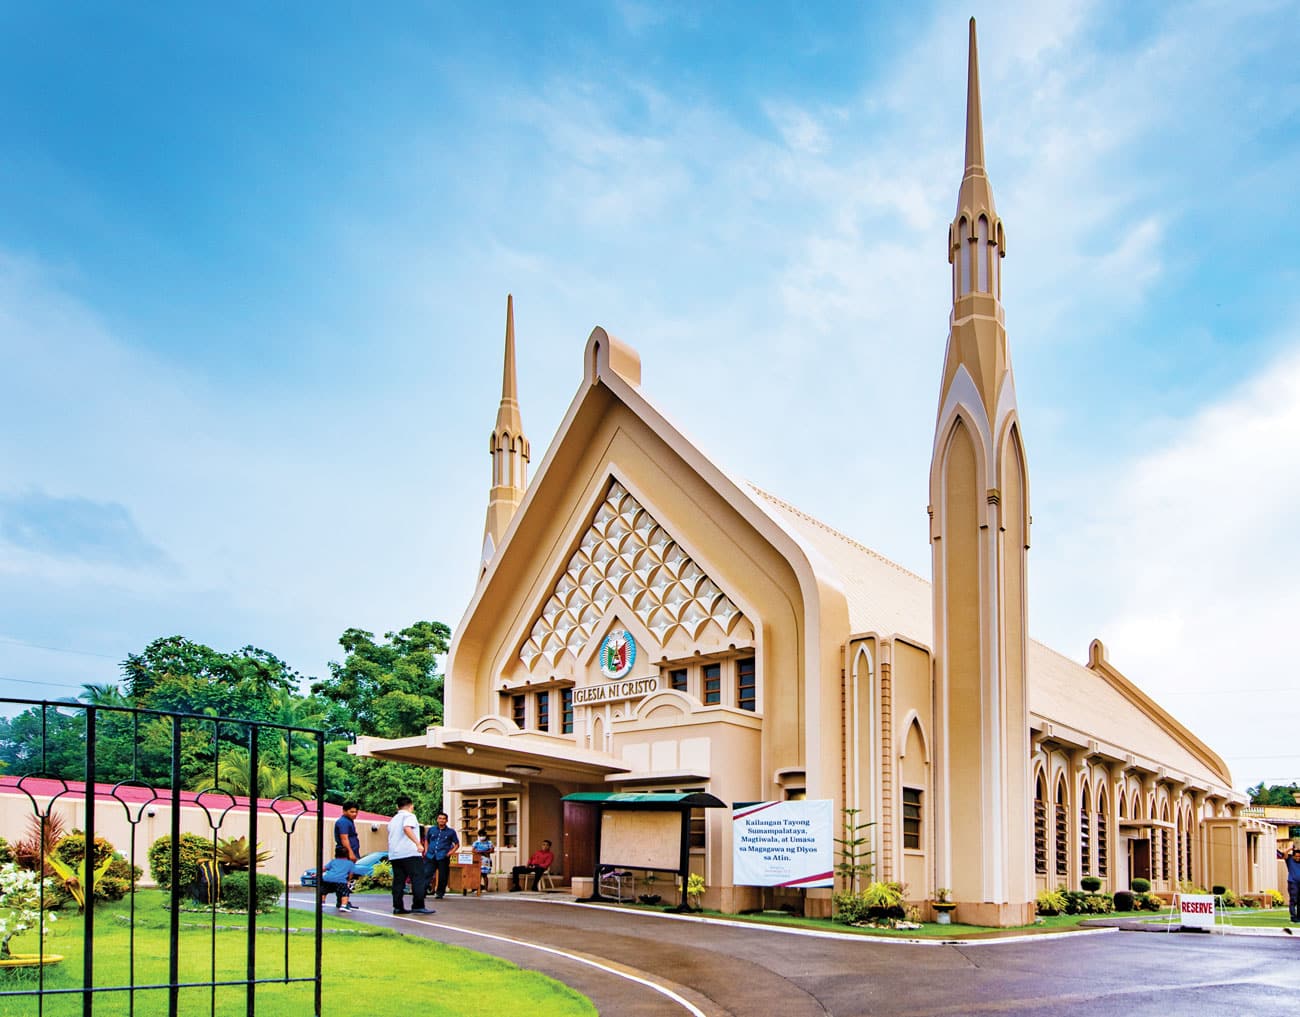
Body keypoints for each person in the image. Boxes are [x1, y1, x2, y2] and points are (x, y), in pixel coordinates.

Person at [388, 795, 433, 915]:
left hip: (395, 854)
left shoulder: (393, 819)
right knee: (418, 878)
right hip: (410, 853)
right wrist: (418, 843)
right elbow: (407, 828)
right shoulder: (410, 816)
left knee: (398, 881)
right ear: (411, 806)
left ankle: (398, 906)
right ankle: (418, 905)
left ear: (397, 807)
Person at [424, 811, 460, 900]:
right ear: (437, 820)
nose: (441, 820)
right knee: (427, 873)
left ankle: (440, 893)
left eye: (443, 819)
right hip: (431, 855)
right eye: (440, 818)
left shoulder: (451, 832)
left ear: (446, 820)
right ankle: (422, 891)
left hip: (443, 856)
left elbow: (457, 844)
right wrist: (426, 850)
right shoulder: (432, 829)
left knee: (443, 875)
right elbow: (426, 840)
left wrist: (450, 853)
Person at [319, 846, 360, 911]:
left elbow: (324, 868)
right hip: (340, 880)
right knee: (345, 892)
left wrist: (317, 873)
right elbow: (351, 873)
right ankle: (343, 906)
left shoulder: (333, 861)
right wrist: (348, 880)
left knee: (323, 891)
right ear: (347, 854)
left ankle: (322, 902)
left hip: (328, 879)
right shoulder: (350, 863)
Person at [1279, 844, 1300, 923]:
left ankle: (1299, 916)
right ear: (1293, 856)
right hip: (1293, 883)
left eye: (1299, 856)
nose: (1298, 858)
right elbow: (1284, 853)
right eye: (1296, 856)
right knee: (1293, 900)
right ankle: (1293, 916)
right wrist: (1291, 848)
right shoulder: (1290, 860)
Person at [471, 828, 494, 893]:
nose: (482, 836)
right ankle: (477, 888)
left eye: (483, 835)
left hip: (486, 860)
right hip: (478, 859)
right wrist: (478, 852)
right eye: (480, 835)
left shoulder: (489, 842)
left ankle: (486, 888)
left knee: (484, 874)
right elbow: (473, 850)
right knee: (478, 874)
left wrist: (485, 852)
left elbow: (492, 850)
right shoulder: (476, 843)